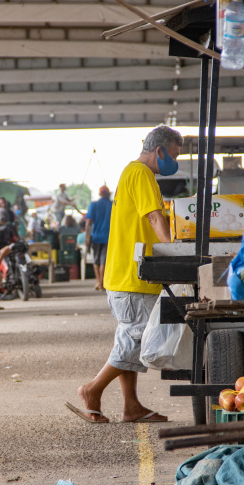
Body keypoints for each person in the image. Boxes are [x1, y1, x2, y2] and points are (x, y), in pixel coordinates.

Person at [66, 125, 181, 424]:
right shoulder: (142, 174)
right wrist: (178, 255)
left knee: (129, 338)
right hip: (134, 277)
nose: (175, 161)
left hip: (124, 275)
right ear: (159, 150)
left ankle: (131, 406)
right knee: (137, 338)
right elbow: (155, 217)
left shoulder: (131, 173)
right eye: (174, 154)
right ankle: (92, 389)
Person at [84, 185, 113, 291]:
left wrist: (86, 238)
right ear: (108, 193)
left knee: (96, 260)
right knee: (104, 261)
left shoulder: (94, 205)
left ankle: (98, 282)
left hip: (96, 237)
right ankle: (102, 283)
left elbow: (88, 223)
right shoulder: (112, 205)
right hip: (108, 237)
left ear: (100, 194)